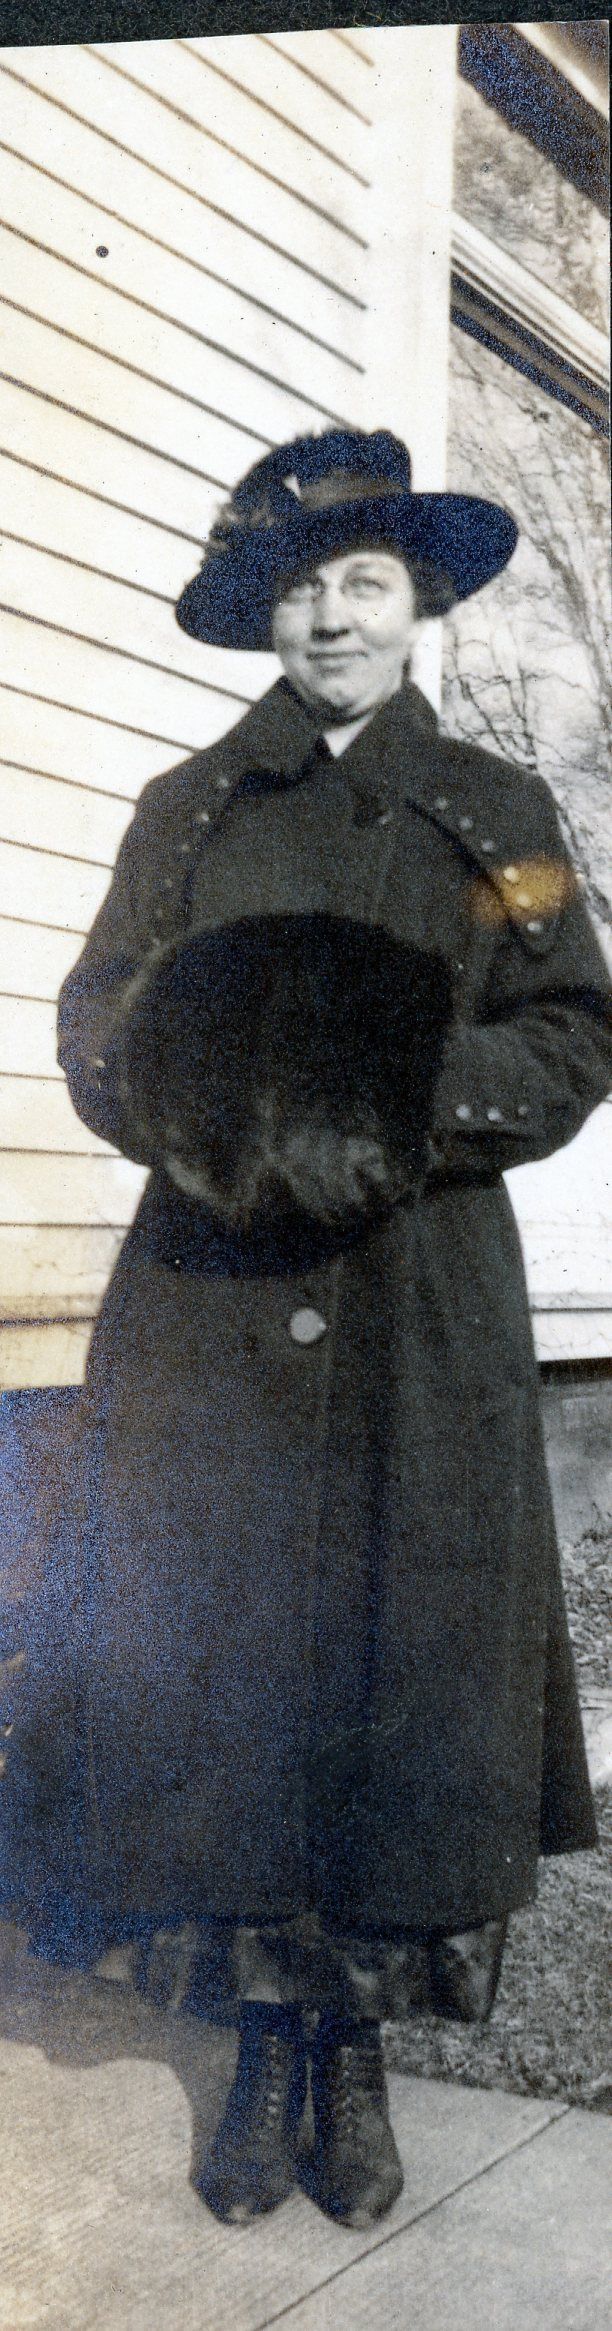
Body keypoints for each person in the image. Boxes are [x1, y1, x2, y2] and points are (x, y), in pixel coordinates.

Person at [6, 428, 611, 2231]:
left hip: (418, 1306)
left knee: (392, 1668)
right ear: (261, 616)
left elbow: (575, 1028)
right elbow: (98, 1022)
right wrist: (216, 1120)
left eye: (364, 582)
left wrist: (386, 1104)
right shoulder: (184, 812)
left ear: (419, 605)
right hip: (204, 1309)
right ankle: (264, 2046)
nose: (332, 617)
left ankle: (352, 2053)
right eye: (299, 589)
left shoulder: (503, 816)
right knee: (230, 1670)